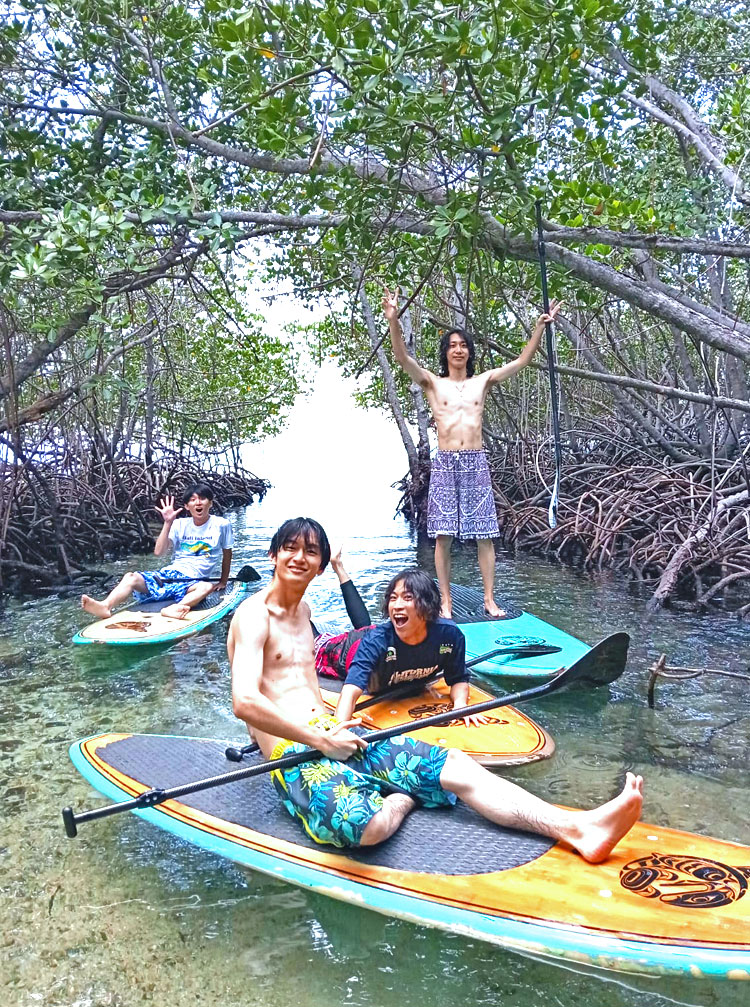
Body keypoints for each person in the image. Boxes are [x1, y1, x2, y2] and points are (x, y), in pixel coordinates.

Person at [228, 516, 643, 855]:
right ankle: (402, 796)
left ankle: (577, 828)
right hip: (289, 751)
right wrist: (318, 741)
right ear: (273, 555)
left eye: (311, 551)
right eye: (290, 548)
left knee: (457, 765)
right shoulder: (253, 616)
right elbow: (245, 703)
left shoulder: (304, 611)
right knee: (369, 828)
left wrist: (337, 729)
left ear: (320, 566)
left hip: (335, 734)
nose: (299, 558)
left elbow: (304, 687)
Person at [383, 287, 561, 619]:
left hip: (476, 461)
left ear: (470, 352)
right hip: (446, 461)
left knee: (485, 535)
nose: (458, 350)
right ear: (445, 353)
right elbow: (402, 358)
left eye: (463, 345)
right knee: (443, 536)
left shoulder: (483, 381)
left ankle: (490, 599)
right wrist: (393, 320)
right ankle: (446, 602)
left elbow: (522, 361)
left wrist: (539, 328)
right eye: (452, 346)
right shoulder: (433, 384)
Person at [323, 566, 489, 729]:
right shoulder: (375, 642)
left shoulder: (450, 635)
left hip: (376, 640)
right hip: (342, 650)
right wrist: (338, 732)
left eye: (408, 598)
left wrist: (460, 705)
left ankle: (340, 568)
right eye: (393, 598)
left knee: (368, 629)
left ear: (428, 605)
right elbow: (350, 693)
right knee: (314, 642)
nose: (397, 605)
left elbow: (458, 678)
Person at [81, 483, 233, 620]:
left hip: (193, 582)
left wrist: (223, 581)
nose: (198, 503)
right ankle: (105, 606)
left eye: (202, 499)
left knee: (206, 587)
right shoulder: (179, 524)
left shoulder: (221, 524)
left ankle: (173, 608)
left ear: (210, 503)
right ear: (187, 506)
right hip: (169, 576)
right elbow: (159, 552)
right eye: (193, 500)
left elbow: (227, 554)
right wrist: (168, 523)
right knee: (131, 577)